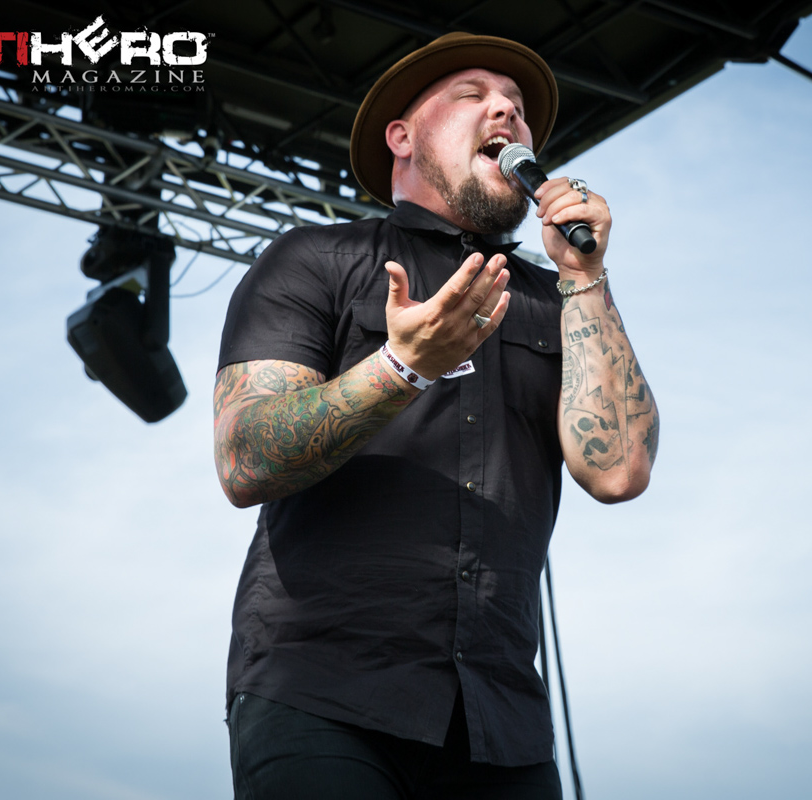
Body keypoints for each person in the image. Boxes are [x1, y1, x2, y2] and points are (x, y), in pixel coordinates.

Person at [212, 31, 658, 799]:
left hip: (500, 722)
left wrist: (585, 275)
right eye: (471, 95)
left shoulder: (558, 301)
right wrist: (401, 368)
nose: (506, 111)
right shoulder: (314, 259)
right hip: (322, 692)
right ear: (402, 137)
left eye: (517, 106)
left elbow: (618, 471)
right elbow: (245, 458)